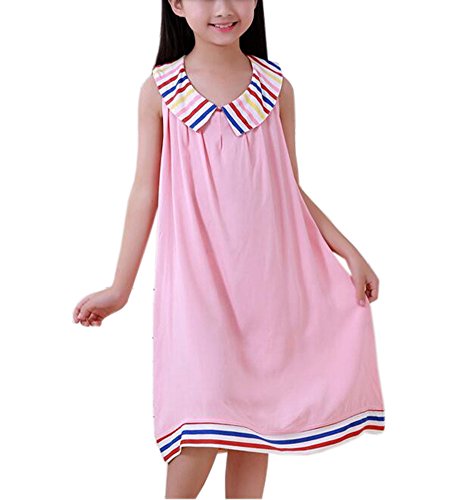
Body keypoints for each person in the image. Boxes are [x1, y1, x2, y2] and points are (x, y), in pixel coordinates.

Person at [72, 1, 385, 498]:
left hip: (267, 289)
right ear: (177, 4)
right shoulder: (160, 92)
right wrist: (120, 288)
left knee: (254, 430)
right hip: (198, 292)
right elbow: (144, 193)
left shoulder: (276, 89)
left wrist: (349, 252)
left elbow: (288, 189)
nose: (223, 8)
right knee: (200, 426)